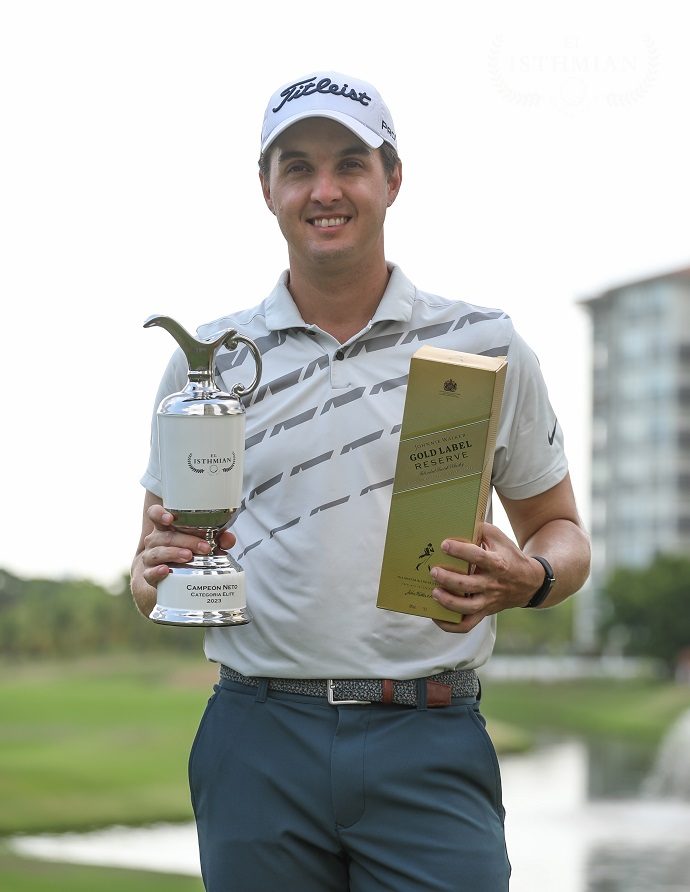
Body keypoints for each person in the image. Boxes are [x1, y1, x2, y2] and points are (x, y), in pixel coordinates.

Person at [131, 70, 591, 892]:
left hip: (430, 735)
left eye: (350, 162)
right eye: (297, 166)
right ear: (266, 189)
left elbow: (562, 530)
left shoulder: (484, 343)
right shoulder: (206, 361)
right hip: (256, 736)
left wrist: (535, 577)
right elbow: (152, 566)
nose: (325, 189)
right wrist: (147, 576)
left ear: (393, 179)